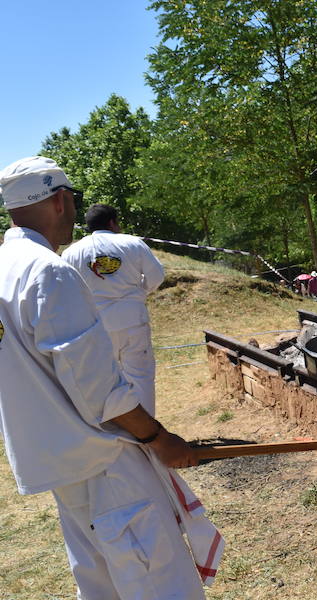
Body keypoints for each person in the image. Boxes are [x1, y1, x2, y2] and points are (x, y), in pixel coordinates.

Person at [0, 157, 209, 598]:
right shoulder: (48, 270)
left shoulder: (6, 268)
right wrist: (158, 437)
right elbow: (99, 391)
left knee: (102, 584)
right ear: (60, 200)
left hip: (58, 461)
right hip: (103, 459)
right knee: (157, 580)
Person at [62, 203, 166, 415]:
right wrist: (137, 295)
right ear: (112, 222)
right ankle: (148, 438)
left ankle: (116, 436)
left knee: (105, 382)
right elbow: (157, 276)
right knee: (140, 377)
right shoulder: (132, 243)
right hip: (131, 321)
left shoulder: (71, 253)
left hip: (95, 325)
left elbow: (67, 290)